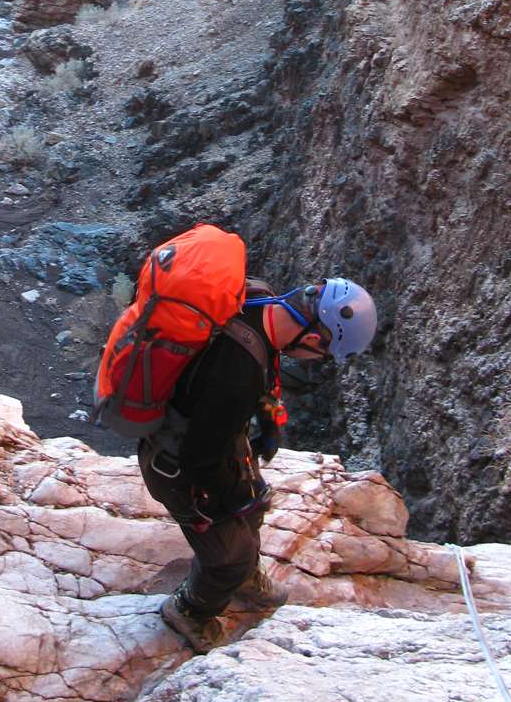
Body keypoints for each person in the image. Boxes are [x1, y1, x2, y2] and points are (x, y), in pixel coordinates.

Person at [140, 277, 378, 652]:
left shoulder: (260, 301)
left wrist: (267, 422)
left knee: (255, 503)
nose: (316, 362)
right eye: (322, 355)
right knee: (229, 557)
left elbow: (261, 373)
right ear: (313, 338)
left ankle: (244, 576)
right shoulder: (238, 373)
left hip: (209, 437)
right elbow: (200, 461)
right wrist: (234, 496)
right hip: (177, 467)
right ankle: (189, 609)